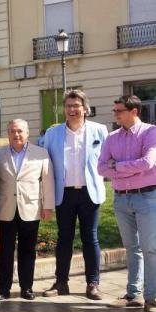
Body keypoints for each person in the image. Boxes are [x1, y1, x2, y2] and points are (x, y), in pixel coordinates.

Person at [40, 90, 109, 300]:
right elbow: (44, 164)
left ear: (85, 108)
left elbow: (108, 158)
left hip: (90, 193)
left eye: (76, 106)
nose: (71, 110)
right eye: (68, 106)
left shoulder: (100, 131)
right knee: (64, 239)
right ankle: (61, 282)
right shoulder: (53, 134)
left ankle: (93, 283)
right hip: (64, 194)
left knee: (91, 238)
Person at [98, 95, 156, 312]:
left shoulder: (151, 133)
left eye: (119, 111)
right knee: (132, 248)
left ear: (134, 112)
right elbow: (101, 168)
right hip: (121, 198)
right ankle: (133, 294)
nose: (115, 114)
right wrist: (131, 168)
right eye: (115, 111)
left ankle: (153, 297)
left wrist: (118, 165)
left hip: (147, 197)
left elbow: (148, 163)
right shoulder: (112, 137)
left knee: (151, 249)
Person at [0, 119, 55, 300]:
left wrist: (48, 206)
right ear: (8, 133)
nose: (16, 134)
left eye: (20, 131)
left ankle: (26, 287)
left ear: (27, 133)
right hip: (6, 208)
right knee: (5, 250)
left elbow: (47, 181)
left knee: (28, 250)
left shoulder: (41, 153)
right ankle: (3, 288)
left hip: (31, 207)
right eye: (12, 131)